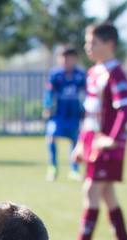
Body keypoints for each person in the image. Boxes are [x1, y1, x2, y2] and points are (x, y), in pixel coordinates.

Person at [57, 22, 127, 240]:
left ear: (109, 44)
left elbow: (126, 109)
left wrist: (112, 138)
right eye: (87, 42)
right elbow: (90, 114)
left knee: (91, 190)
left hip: (108, 146)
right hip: (93, 143)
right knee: (107, 194)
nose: (87, 47)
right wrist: (82, 143)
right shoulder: (93, 73)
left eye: (93, 42)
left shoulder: (116, 73)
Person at [43, 46, 86, 181]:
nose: (65, 61)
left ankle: (74, 170)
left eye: (68, 58)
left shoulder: (80, 75)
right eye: (62, 58)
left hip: (74, 113)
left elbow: (86, 93)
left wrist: (85, 109)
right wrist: (47, 106)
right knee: (51, 136)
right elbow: (49, 93)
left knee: (75, 140)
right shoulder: (55, 75)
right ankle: (53, 167)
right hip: (58, 114)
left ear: (75, 59)